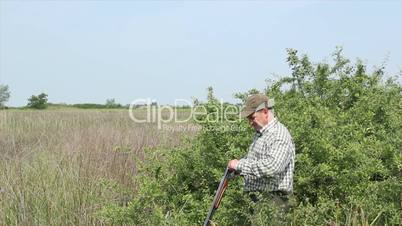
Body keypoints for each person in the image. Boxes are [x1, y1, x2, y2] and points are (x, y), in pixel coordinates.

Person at [228, 94, 295, 211]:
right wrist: (238, 169)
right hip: (261, 199)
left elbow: (272, 167)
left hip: (275, 201)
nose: (250, 123)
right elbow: (255, 161)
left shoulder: (278, 135)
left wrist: (239, 165)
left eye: (252, 118)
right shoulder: (261, 133)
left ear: (265, 112)